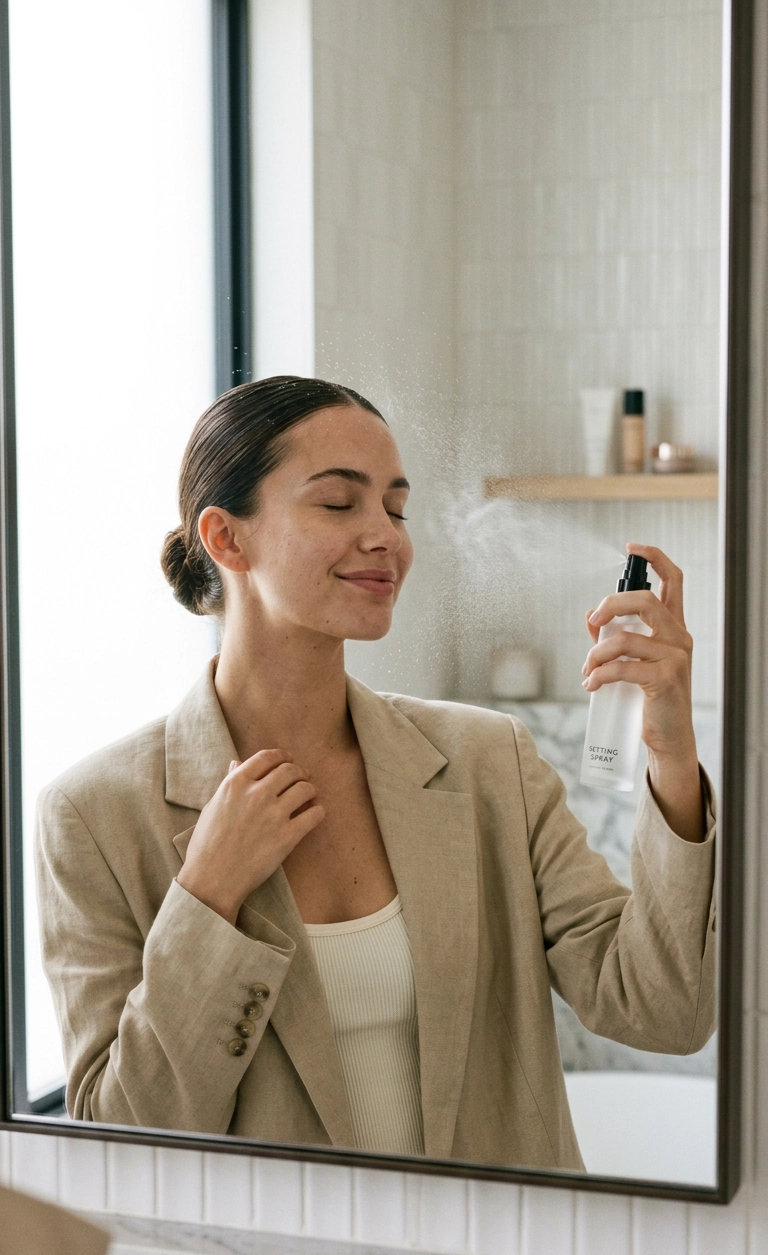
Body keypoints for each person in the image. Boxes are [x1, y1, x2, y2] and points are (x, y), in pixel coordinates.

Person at [36, 376, 715, 1170]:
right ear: (225, 538)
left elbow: (665, 1011)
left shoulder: (488, 762)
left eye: (396, 508)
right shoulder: (93, 817)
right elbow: (117, 1139)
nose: (386, 536)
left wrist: (671, 756)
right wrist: (207, 900)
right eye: (338, 504)